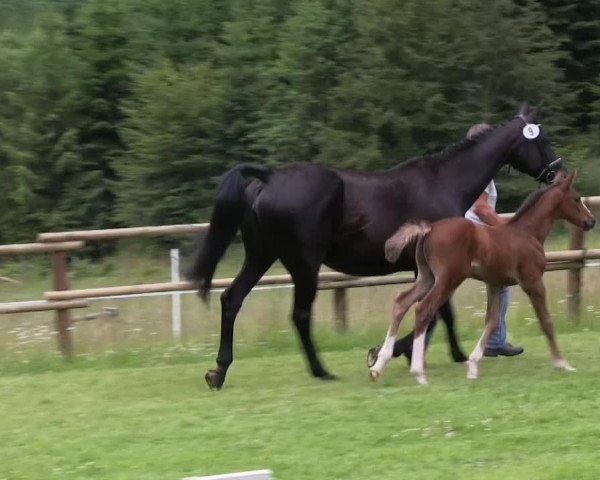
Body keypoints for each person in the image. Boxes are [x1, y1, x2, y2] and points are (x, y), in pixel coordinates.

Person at [465, 123, 524, 357]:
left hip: (470, 233)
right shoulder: (480, 170)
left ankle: (495, 340)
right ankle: (494, 341)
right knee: (503, 278)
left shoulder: (471, 167)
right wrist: (508, 230)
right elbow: (481, 208)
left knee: (500, 283)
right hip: (473, 234)